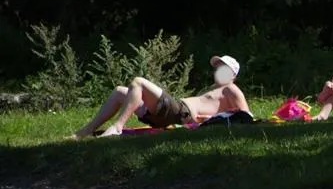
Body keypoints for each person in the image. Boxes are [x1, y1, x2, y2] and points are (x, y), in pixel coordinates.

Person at [71, 55, 249, 139]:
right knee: (119, 91)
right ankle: (84, 132)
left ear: (233, 75)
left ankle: (117, 127)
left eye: (223, 68)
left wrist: (211, 120)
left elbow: (245, 118)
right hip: (173, 113)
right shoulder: (212, 89)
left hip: (180, 113)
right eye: (217, 67)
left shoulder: (231, 89)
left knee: (139, 82)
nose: (218, 70)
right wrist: (211, 118)